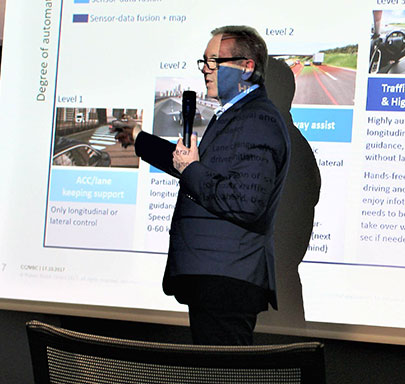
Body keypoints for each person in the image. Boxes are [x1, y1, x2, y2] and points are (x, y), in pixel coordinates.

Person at [115, 25, 290, 344]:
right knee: (215, 375)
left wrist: (192, 168)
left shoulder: (258, 120)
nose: (206, 69)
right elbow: (193, 166)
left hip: (226, 282)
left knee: (224, 376)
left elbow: (245, 203)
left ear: (247, 68)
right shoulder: (236, 115)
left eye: (215, 61)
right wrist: (140, 139)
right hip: (214, 280)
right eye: (204, 62)